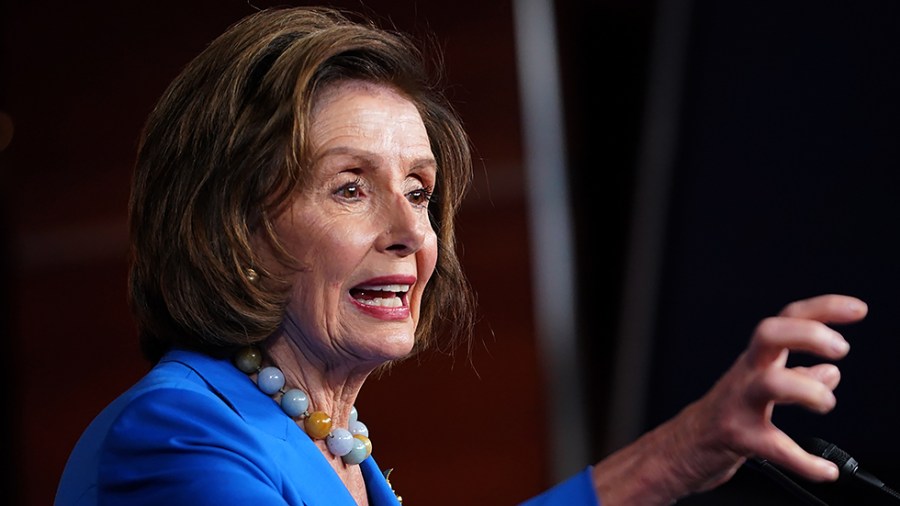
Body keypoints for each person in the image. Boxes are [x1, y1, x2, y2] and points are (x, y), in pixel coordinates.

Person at [53, 6, 867, 506]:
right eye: (349, 188)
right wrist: (671, 458)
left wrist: (685, 453)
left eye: (418, 190)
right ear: (232, 224)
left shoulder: (328, 444)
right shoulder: (174, 433)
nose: (412, 233)